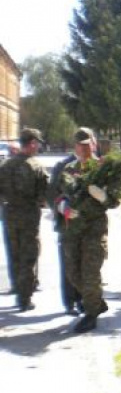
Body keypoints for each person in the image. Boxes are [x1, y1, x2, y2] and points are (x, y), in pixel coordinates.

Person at [56, 127, 121, 333]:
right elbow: (59, 194)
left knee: (90, 273)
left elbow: (115, 200)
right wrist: (62, 206)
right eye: (79, 145)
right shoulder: (68, 169)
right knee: (73, 273)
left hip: (94, 229)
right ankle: (96, 302)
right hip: (72, 230)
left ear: (93, 144)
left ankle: (91, 314)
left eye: (87, 145)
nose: (83, 149)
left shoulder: (103, 168)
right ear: (74, 146)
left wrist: (103, 196)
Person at [0, 128, 48, 311]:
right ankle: (24, 297)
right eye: (37, 143)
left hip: (10, 214)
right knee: (29, 255)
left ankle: (17, 287)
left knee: (14, 253)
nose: (38, 147)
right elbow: (44, 195)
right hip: (29, 215)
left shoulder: (5, 165)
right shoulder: (35, 166)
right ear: (32, 143)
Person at [47, 152, 81, 314]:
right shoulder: (63, 166)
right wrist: (60, 206)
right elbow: (51, 194)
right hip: (68, 224)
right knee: (68, 263)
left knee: (88, 264)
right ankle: (70, 302)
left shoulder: (97, 164)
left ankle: (84, 300)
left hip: (90, 225)